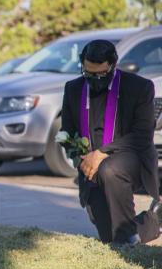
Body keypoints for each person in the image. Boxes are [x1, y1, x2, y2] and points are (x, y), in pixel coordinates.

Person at [61, 39, 160, 246]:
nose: (95, 80)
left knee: (109, 169)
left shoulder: (139, 87)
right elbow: (67, 133)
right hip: (91, 165)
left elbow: (141, 135)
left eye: (101, 75)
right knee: (109, 238)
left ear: (113, 66)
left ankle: (127, 241)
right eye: (88, 74)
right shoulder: (73, 88)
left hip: (133, 158)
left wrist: (101, 154)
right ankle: (154, 220)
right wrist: (80, 157)